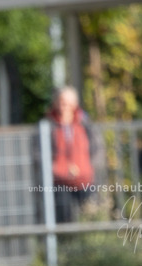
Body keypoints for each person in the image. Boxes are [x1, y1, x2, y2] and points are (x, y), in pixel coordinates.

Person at [47, 85, 94, 224]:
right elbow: (41, 152)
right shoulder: (48, 125)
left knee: (89, 218)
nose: (65, 106)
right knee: (64, 220)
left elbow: (96, 148)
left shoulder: (84, 123)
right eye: (62, 102)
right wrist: (56, 169)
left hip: (84, 180)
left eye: (68, 103)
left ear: (75, 104)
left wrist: (89, 167)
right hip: (59, 181)